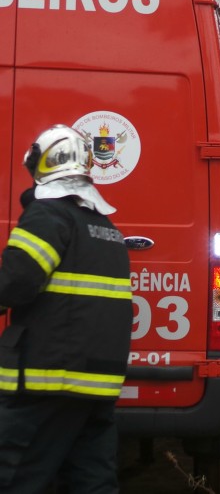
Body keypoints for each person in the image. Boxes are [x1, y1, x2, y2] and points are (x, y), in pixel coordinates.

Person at [0, 125, 133, 492]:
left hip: (49, 377)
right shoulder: (105, 227)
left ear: (41, 165)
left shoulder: (47, 216)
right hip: (96, 383)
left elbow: (17, 281)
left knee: (16, 477)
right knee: (91, 480)